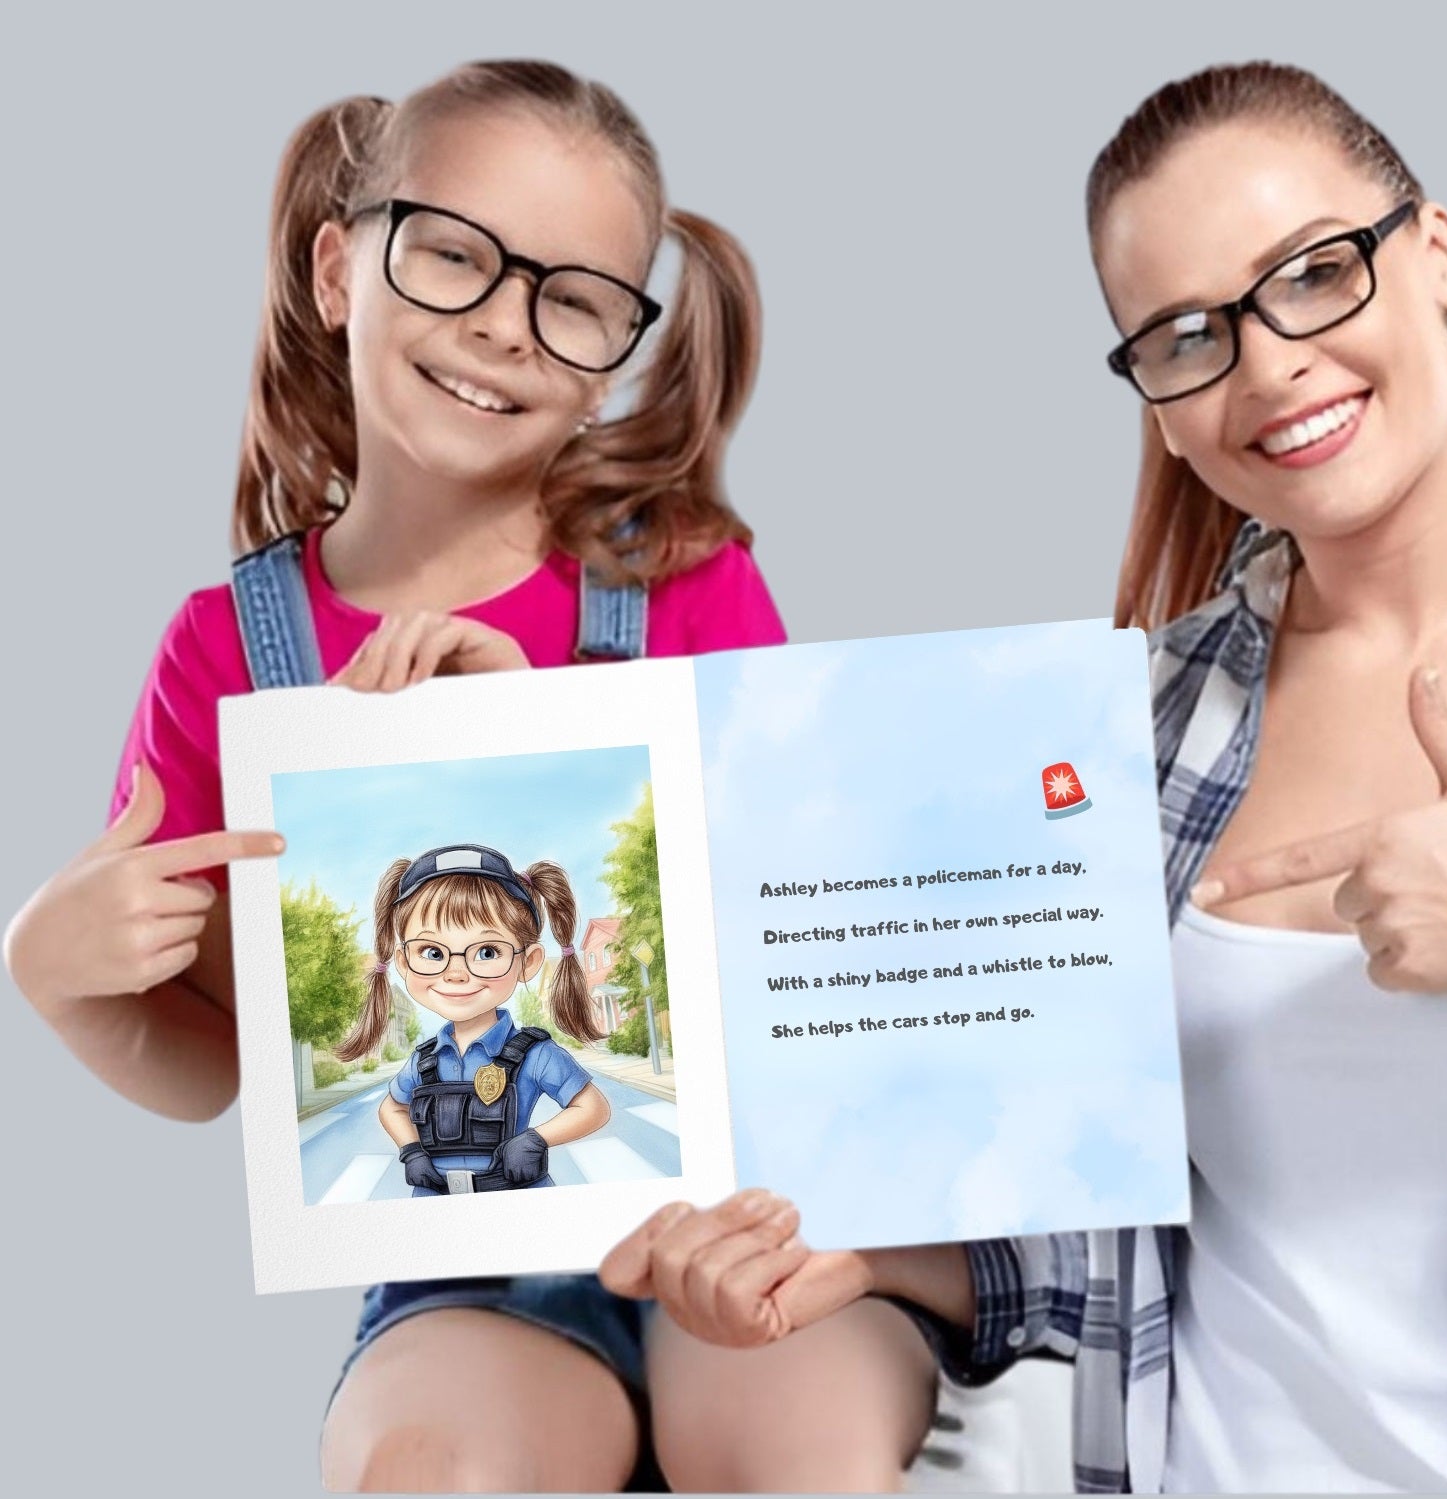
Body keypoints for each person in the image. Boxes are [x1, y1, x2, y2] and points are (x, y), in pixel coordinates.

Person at [601, 60, 1447, 1493]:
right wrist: (870, 1252)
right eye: (1186, 335)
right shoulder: (1127, 729)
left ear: (1438, 252)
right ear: (1157, 401)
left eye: (1315, 274)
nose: (1267, 366)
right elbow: (1137, 1252)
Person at [3, 59, 934, 1494]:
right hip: (469, 1270)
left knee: (803, 1457)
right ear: (338, 271)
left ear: (612, 352)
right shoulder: (227, 651)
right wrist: (69, 983)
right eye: (452, 256)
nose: (503, 323)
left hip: (750, 1217)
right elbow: (237, 1068)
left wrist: (553, 744)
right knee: (428, 1467)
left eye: (573, 298)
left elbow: (809, 950)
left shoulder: (688, 586)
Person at [346, 843, 614, 1197]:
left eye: (487, 952)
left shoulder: (535, 1054)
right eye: (432, 952)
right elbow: (392, 1107)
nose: (456, 973)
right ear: (404, 962)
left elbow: (594, 1107)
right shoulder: (424, 1060)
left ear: (528, 962)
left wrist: (537, 1139)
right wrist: (411, 1149)